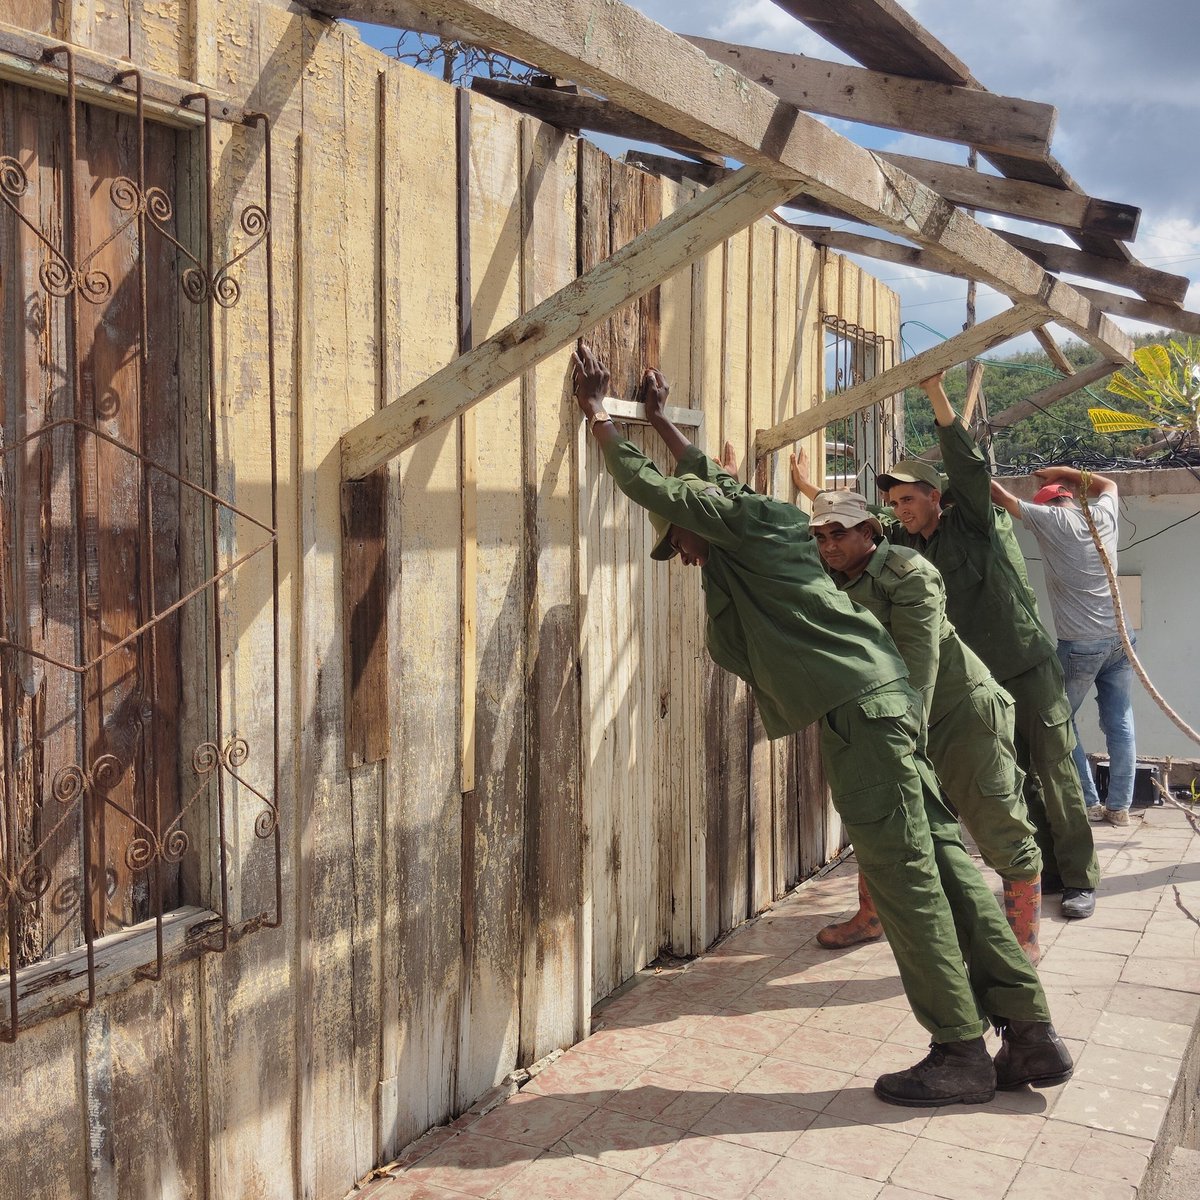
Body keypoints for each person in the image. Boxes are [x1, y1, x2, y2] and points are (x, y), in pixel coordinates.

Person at [572, 344, 1072, 1107]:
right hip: (881, 712)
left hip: (864, 720)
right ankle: (1029, 1036)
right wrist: (667, 422)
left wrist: (597, 413)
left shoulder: (742, 528)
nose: (680, 556)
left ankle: (959, 1052)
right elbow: (706, 478)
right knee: (944, 870)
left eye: (678, 543)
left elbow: (662, 488)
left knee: (908, 886)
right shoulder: (763, 525)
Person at [875, 372, 1099, 920]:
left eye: (909, 497)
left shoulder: (973, 523)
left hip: (1026, 665)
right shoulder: (903, 543)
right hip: (982, 682)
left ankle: (1080, 878)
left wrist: (935, 395)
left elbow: (971, 468)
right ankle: (1040, 871)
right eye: (894, 500)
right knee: (1012, 777)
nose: (900, 508)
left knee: (1055, 771)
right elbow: (858, 527)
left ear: (935, 497)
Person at [789, 480, 1043, 963]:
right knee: (880, 817)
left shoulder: (909, 573)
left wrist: (907, 735)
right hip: (893, 714)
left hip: (957, 712)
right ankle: (871, 916)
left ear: (868, 532)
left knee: (997, 821)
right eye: (821, 538)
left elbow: (919, 663)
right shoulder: (832, 574)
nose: (828, 546)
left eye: (838, 534)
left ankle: (1023, 936)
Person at [990, 467, 1136, 826]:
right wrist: (1065, 473)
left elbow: (999, 497)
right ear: (1070, 497)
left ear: (1048, 505)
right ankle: (1120, 808)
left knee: (1061, 720)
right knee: (1120, 721)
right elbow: (1109, 485)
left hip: (1081, 645)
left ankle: (1088, 801)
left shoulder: (1049, 520)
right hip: (1122, 639)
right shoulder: (1102, 513)